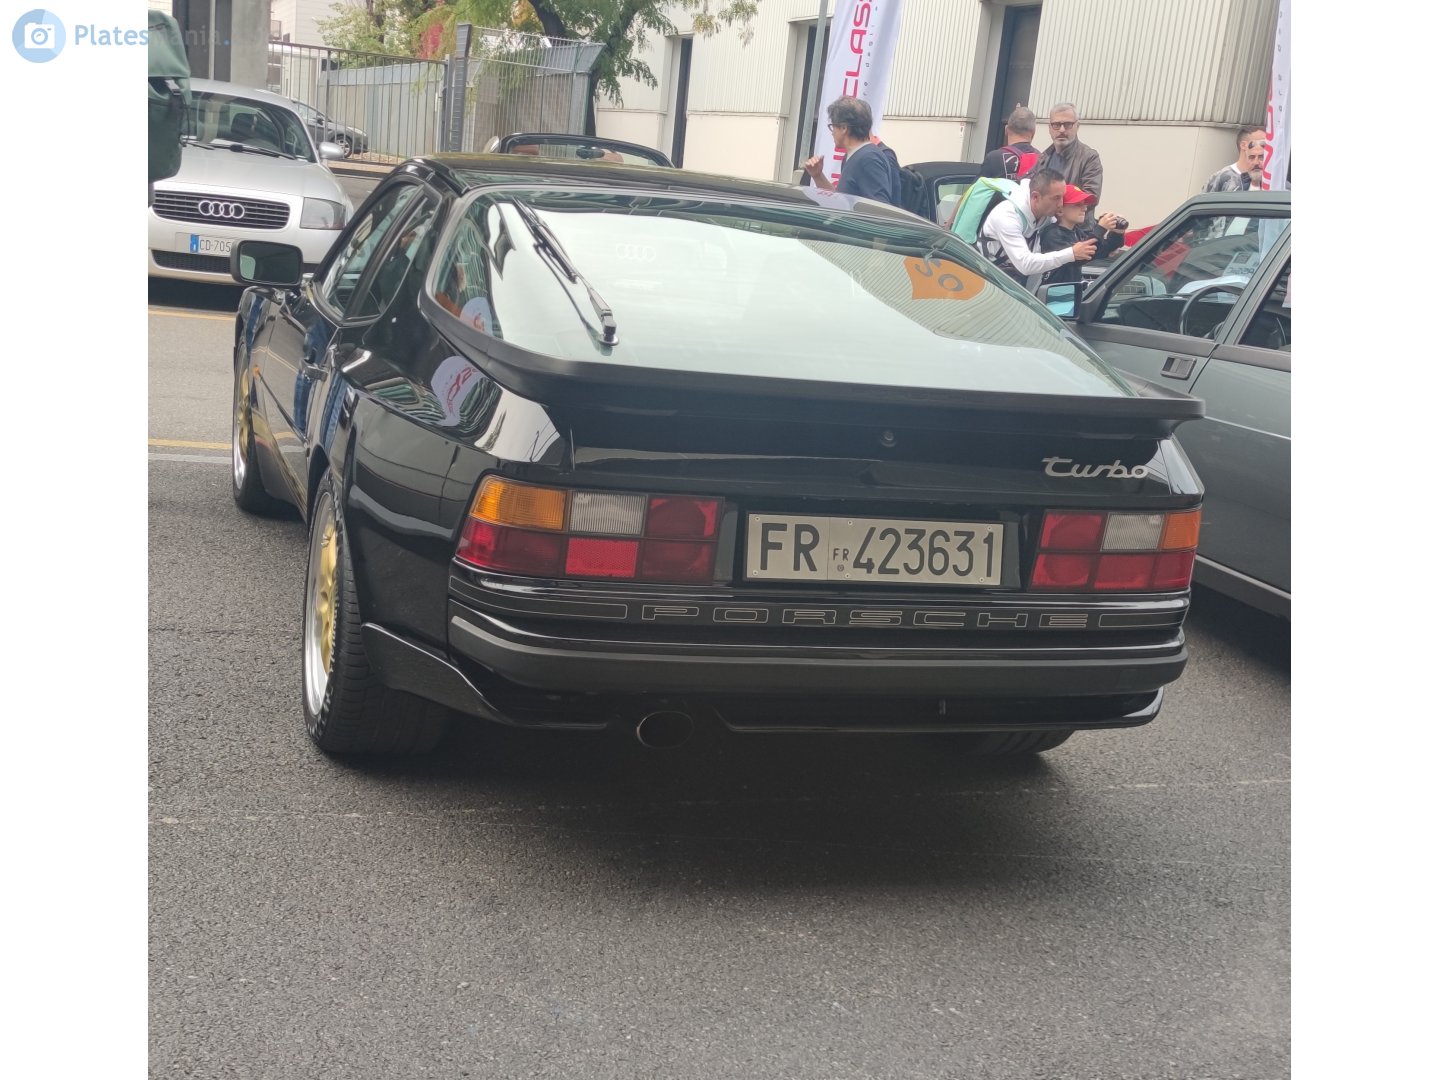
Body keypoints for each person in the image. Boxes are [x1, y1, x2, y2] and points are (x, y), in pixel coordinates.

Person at [977, 167, 1096, 287]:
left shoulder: (1047, 214)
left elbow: (1069, 237)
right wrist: (1071, 253)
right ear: (1035, 197)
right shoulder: (1007, 216)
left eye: (1062, 197)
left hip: (1018, 287)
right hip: (990, 285)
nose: (1061, 204)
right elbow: (1025, 265)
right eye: (1056, 198)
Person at [801, 96, 902, 207]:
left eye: (833, 126)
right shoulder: (854, 156)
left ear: (844, 128)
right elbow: (840, 200)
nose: (832, 132)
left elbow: (879, 211)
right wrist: (818, 175)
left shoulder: (869, 159)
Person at [1037, 185, 1128, 287]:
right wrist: (1101, 228)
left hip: (1070, 294)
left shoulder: (1077, 232)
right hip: (1053, 297)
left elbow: (1103, 250)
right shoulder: (1052, 234)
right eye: (1078, 204)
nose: (1084, 208)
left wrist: (1117, 232)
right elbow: (1079, 257)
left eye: (1084, 204)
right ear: (1060, 210)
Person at [1035, 103, 1104, 206]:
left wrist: (1054, 207)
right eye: (1056, 125)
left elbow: (1091, 198)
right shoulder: (1043, 158)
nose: (1062, 130)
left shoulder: (1089, 158)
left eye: (1067, 124)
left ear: (1077, 126)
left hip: (1074, 222)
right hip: (1045, 221)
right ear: (1049, 128)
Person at [979, 105, 1041, 181]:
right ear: (1033, 132)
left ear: (1006, 130)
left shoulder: (994, 158)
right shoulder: (1042, 160)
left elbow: (977, 191)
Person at [1202, 126, 1267, 192]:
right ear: (1243, 145)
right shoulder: (1221, 178)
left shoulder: (1269, 180)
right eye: (1262, 143)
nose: (1267, 147)